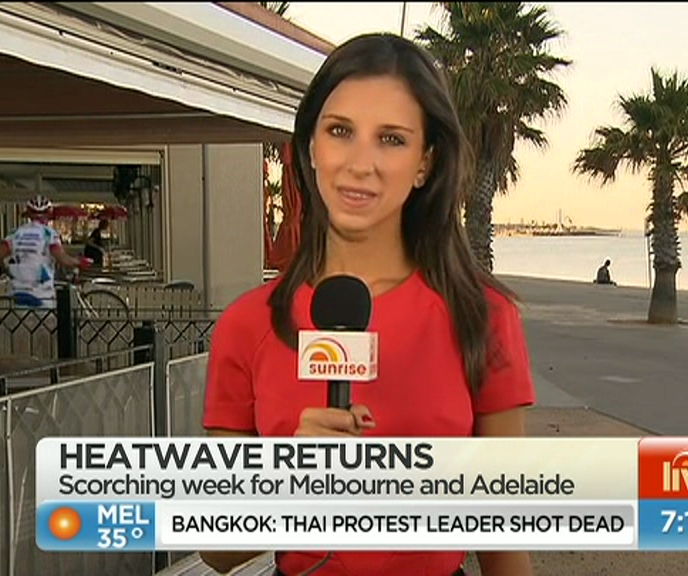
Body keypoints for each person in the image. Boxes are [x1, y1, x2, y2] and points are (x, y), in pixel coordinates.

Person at [200, 34, 535, 576]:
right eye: (340, 131)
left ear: (425, 162)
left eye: (391, 139)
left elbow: (504, 536)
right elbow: (217, 551)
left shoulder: (484, 316)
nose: (361, 164)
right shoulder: (247, 324)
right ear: (310, 147)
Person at [0, 195, 91, 308]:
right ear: (49, 214)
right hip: (42, 295)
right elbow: (63, 259)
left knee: (19, 318)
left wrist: (7, 269)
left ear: (28, 214)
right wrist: (79, 262)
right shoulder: (49, 234)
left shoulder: (15, 233)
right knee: (47, 318)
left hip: (17, 294)